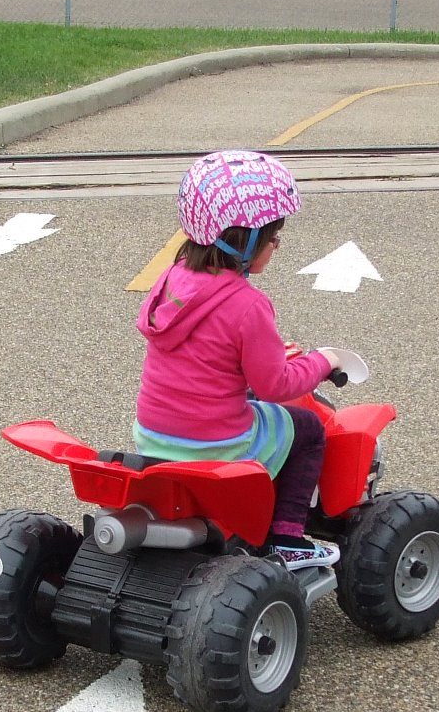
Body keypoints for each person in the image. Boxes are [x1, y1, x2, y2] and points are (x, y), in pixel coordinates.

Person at [134, 149, 343, 568]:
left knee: (251, 406)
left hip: (151, 435)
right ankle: (287, 538)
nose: (276, 246)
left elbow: (207, 359)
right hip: (218, 443)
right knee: (306, 428)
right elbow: (275, 385)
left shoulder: (171, 279)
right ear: (244, 242)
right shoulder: (248, 305)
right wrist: (323, 360)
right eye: (273, 238)